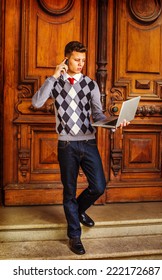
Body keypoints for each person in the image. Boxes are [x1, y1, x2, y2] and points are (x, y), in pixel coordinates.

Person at [32, 41, 129, 255]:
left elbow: (98, 114)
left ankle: (78, 211)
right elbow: (37, 102)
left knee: (99, 186)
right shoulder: (55, 83)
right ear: (67, 59)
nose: (81, 64)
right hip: (66, 145)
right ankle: (74, 236)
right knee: (69, 191)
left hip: (88, 142)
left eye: (84, 60)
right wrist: (54, 75)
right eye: (77, 59)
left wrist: (114, 122)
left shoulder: (90, 84)